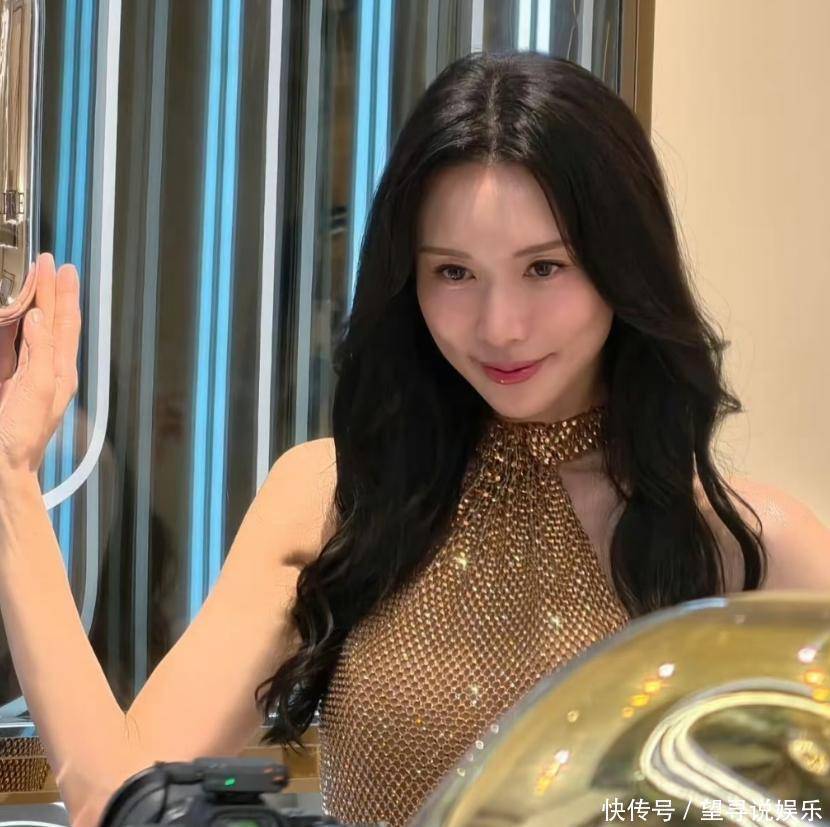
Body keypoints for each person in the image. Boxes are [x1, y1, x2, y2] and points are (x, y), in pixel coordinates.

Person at [0, 50, 828, 827]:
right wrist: (11, 471)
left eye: (545, 267)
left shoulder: (755, 551)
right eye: (453, 272)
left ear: (625, 265)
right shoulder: (331, 498)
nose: (500, 326)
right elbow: (122, 799)